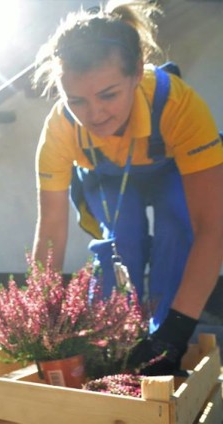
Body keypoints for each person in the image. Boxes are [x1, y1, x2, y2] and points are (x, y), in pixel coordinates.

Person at [31, 0, 223, 375]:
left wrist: (177, 331)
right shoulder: (59, 129)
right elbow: (51, 229)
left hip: (170, 172)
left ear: (137, 72)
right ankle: (107, 343)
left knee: (177, 230)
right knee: (121, 241)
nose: (95, 115)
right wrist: (43, 318)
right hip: (107, 179)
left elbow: (212, 229)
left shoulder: (180, 105)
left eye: (109, 95)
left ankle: (163, 340)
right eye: (77, 101)